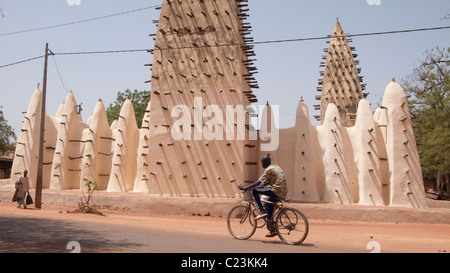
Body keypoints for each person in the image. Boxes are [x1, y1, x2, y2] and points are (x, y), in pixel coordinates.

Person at [239, 154, 287, 237]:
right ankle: (272, 230)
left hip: (276, 190)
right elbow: (267, 182)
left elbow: (258, 182)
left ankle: (261, 211)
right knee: (268, 205)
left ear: (264, 163)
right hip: (283, 191)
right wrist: (262, 186)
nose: (261, 164)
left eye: (262, 163)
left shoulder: (268, 170)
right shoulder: (275, 167)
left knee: (254, 189)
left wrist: (245, 188)